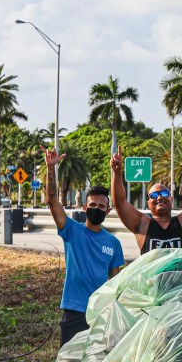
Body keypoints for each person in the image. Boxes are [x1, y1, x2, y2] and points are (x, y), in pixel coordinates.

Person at [43, 147, 124, 346]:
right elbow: (52, 201)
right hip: (75, 310)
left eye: (101, 207)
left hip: (101, 313)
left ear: (108, 210)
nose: (97, 209)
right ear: (85, 208)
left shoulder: (113, 243)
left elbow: (115, 283)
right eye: (93, 206)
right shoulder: (72, 230)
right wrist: (50, 169)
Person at [110, 140, 182, 252]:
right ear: (148, 203)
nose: (159, 197)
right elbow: (120, 203)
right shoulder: (142, 224)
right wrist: (117, 172)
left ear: (171, 199)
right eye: (154, 195)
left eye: (164, 193)